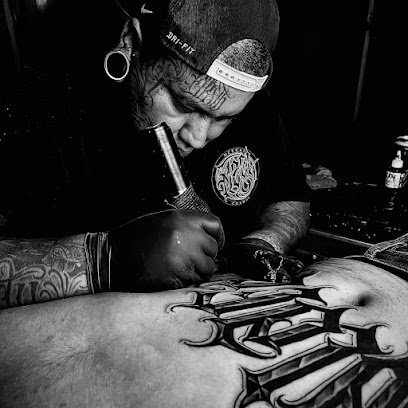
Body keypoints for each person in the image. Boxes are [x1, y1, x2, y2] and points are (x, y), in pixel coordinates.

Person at [0, 0, 310, 309]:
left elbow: (291, 196)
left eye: (223, 119)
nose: (198, 137)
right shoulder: (40, 113)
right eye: (182, 104)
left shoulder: (253, 109)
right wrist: (101, 259)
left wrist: (265, 241)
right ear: (131, 43)